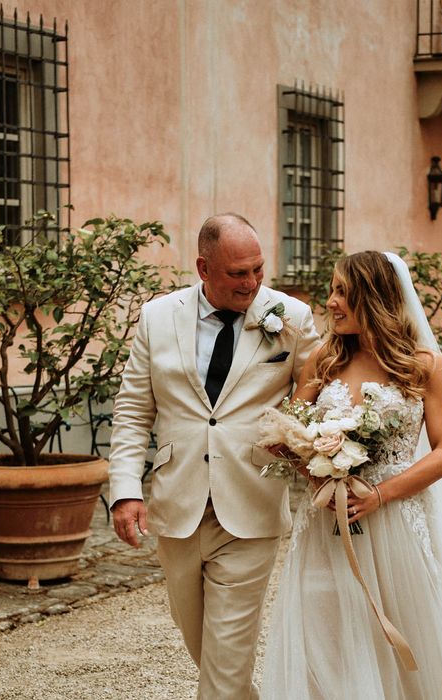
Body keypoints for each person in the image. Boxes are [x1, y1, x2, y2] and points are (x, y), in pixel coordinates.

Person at [260, 251, 442, 699]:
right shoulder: (324, 359)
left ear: (375, 297)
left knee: (408, 629)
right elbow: (285, 430)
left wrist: (379, 494)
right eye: (332, 290)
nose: (332, 302)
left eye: (343, 291)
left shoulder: (424, 364)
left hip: (396, 521)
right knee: (327, 628)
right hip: (329, 522)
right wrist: (318, 468)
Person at [109, 213, 319, 699]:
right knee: (208, 650)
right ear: (203, 268)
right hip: (176, 505)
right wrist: (124, 491)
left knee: (224, 664)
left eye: (258, 270)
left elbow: (319, 398)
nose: (252, 284)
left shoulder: (292, 318)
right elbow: (133, 410)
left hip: (250, 507)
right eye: (237, 274)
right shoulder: (157, 317)